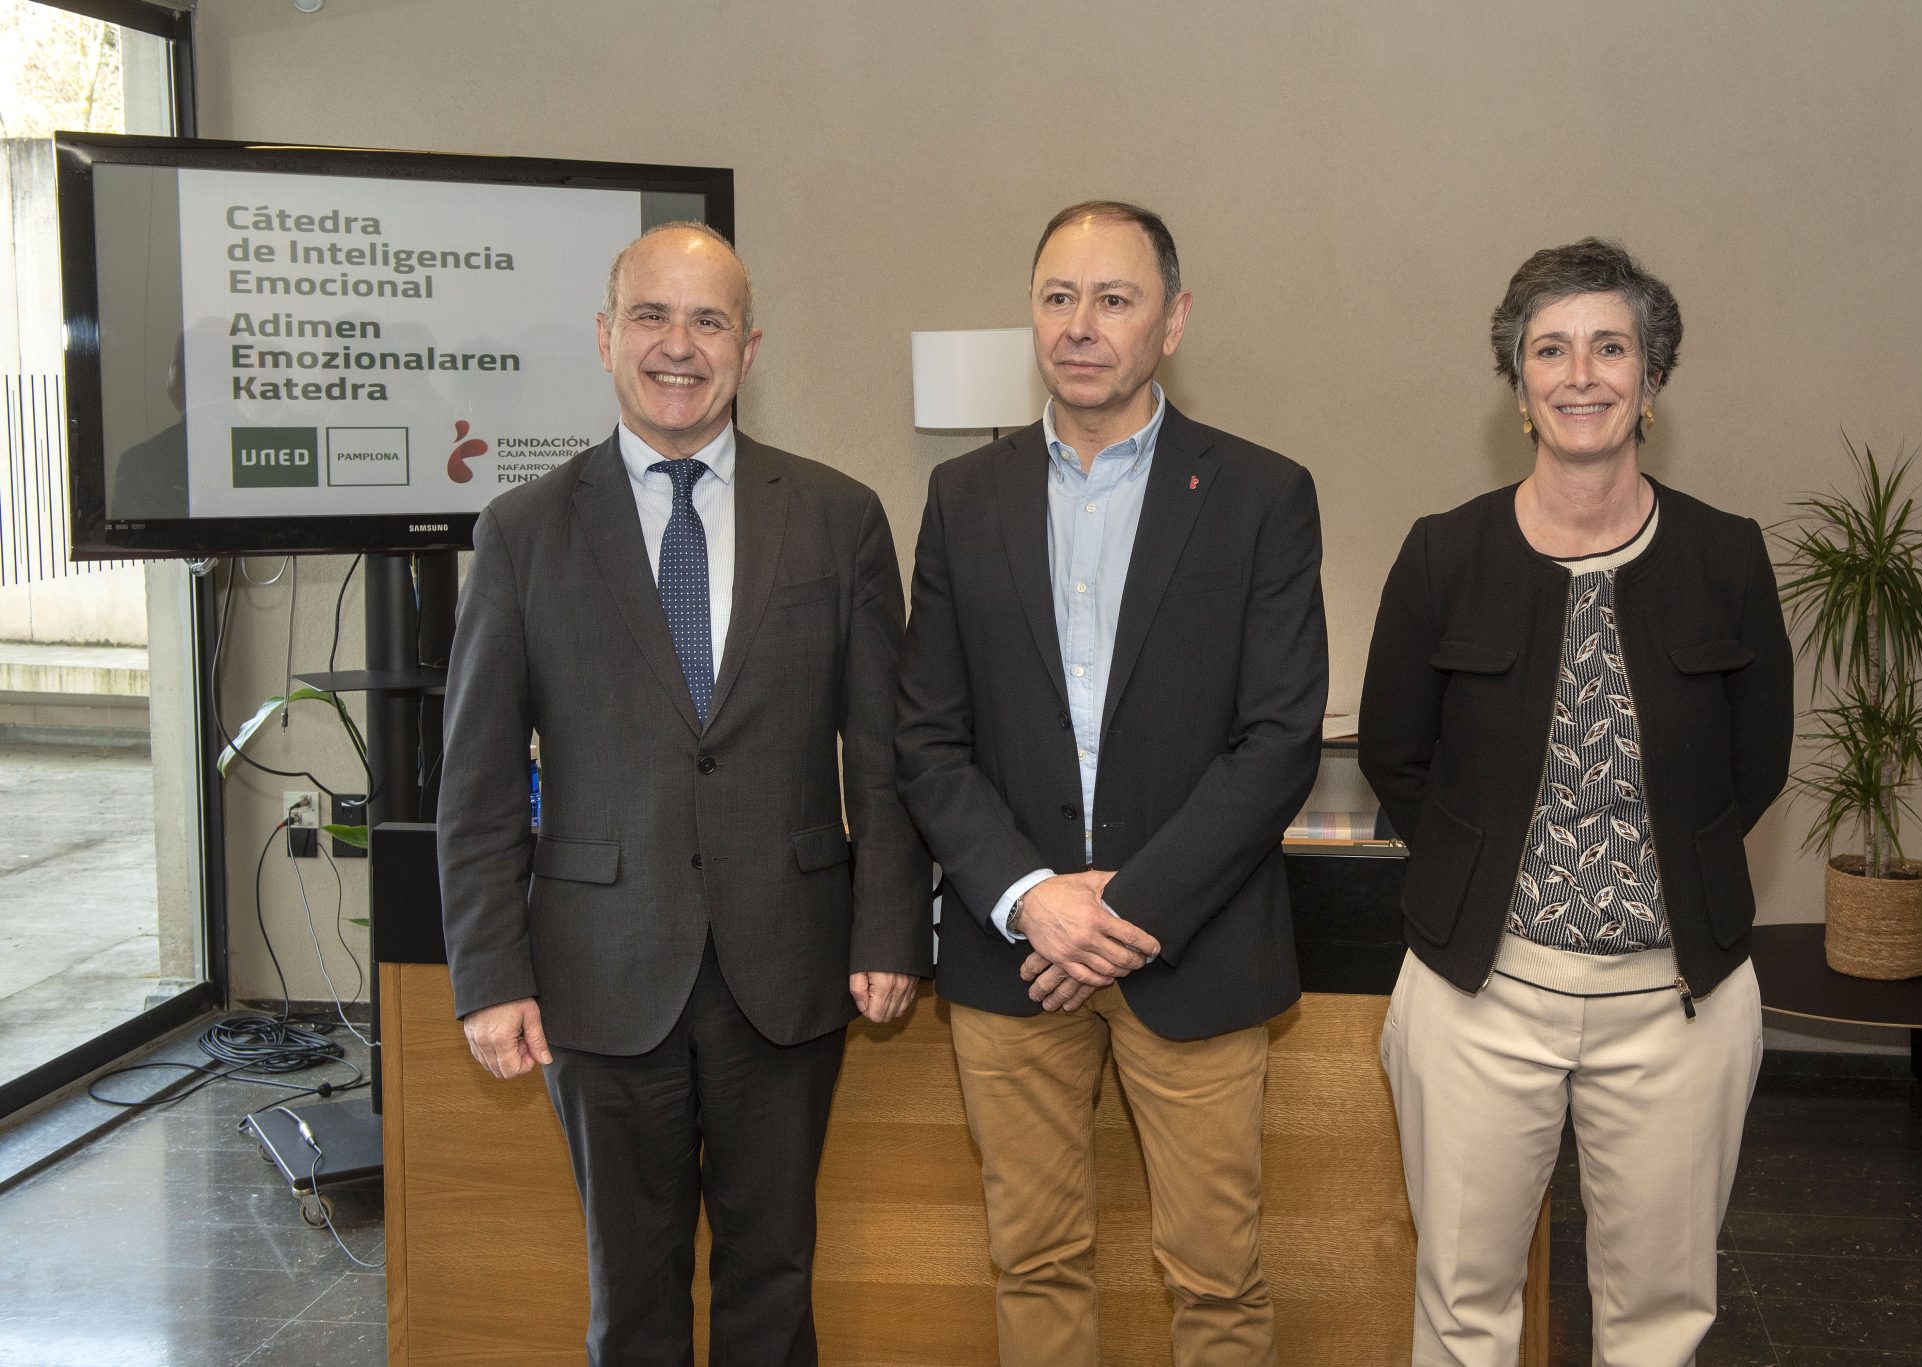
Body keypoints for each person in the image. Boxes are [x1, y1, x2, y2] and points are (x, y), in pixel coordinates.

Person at [437, 222, 930, 1367]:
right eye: (651, 316)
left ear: (747, 349)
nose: (678, 345)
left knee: (774, 1279)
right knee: (632, 1292)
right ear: (605, 337)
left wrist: (889, 927)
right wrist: (491, 972)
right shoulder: (521, 531)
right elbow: (477, 779)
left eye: (708, 321)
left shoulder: (838, 516)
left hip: (790, 963)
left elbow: (884, 752)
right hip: (598, 970)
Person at [897, 200, 1328, 1367]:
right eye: (1057, 297)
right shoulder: (962, 496)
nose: (1079, 324)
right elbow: (926, 738)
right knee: (1031, 1262)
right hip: (1012, 954)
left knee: (1216, 1277)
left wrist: (1119, 911)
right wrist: (1031, 896)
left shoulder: (1258, 493)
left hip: (1192, 948)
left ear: (1171, 320)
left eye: (1113, 298)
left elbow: (1277, 738)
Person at [1357, 237, 1794, 1365]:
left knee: (1657, 1317)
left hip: (1677, 1004)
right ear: (1518, 385)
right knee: (1462, 1307)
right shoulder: (1443, 555)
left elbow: (1755, 765)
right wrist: (1482, 883)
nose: (1581, 373)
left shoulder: (1725, 557)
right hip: (1478, 995)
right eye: (1549, 349)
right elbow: (1397, 756)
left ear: (1651, 378)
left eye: (1610, 346)